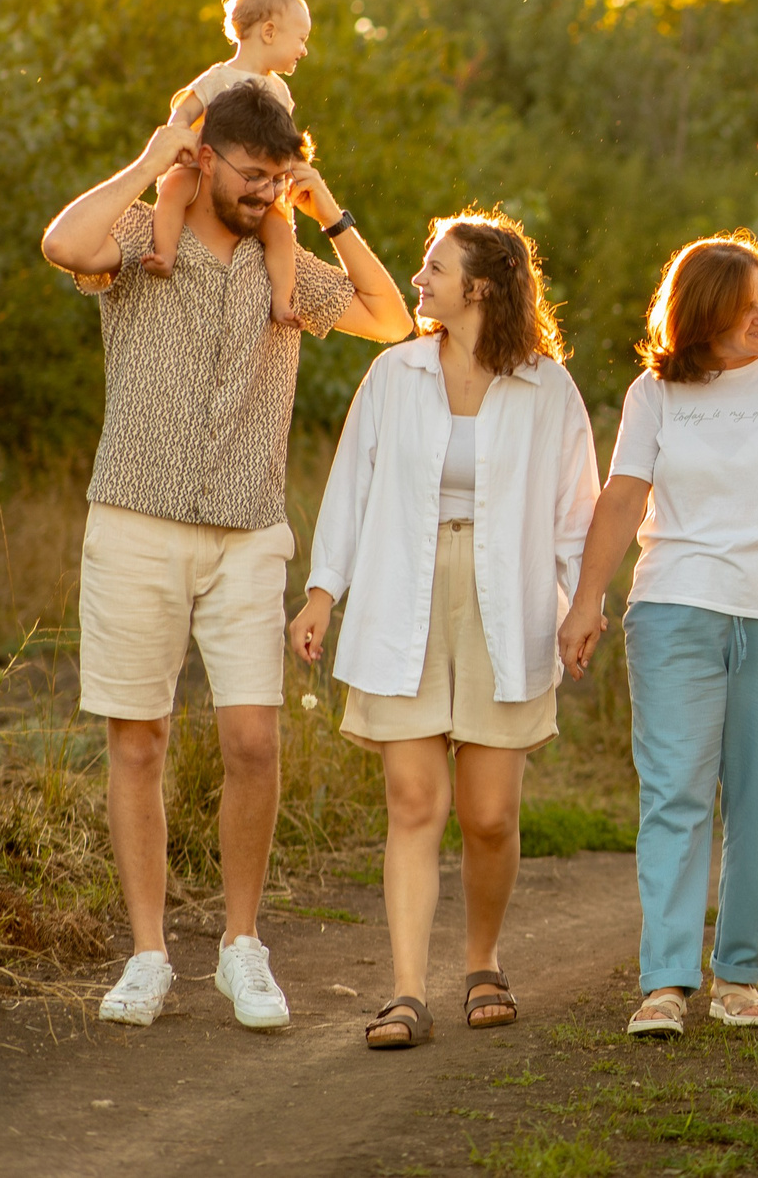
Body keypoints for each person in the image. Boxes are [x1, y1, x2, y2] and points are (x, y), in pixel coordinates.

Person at [38, 81, 412, 1032]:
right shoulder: (137, 246)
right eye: (252, 175)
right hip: (135, 520)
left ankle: (243, 948)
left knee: (253, 741)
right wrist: (158, 146)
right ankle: (149, 954)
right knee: (140, 739)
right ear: (206, 162)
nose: (263, 193)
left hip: (249, 531)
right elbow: (61, 243)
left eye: (277, 179)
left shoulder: (282, 261)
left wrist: (328, 208)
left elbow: (391, 316)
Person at [289, 212, 599, 1049]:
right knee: (415, 801)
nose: (418, 279)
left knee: (490, 813)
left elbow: (579, 510)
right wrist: (323, 592)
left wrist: (582, 604)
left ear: (483, 285)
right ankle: (405, 990)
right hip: (403, 593)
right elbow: (350, 484)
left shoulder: (548, 386)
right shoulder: (395, 375)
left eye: (434, 267)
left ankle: (483, 959)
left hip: (510, 601)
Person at [555, 234, 758, 1039]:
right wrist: (587, 599)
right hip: (675, 603)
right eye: (745, 303)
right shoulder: (658, 391)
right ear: (702, 311)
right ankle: (666, 981)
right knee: (675, 791)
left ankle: (739, 975)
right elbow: (621, 499)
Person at [143, 0, 316, 324]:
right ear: (268, 32)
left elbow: (282, 139)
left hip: (258, 183)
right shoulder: (218, 78)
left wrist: (295, 168)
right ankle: (165, 252)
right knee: (175, 188)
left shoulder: (280, 91)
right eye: (301, 39)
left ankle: (281, 300)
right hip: (205, 167)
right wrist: (183, 141)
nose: (304, 50)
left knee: (281, 229)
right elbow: (185, 113)